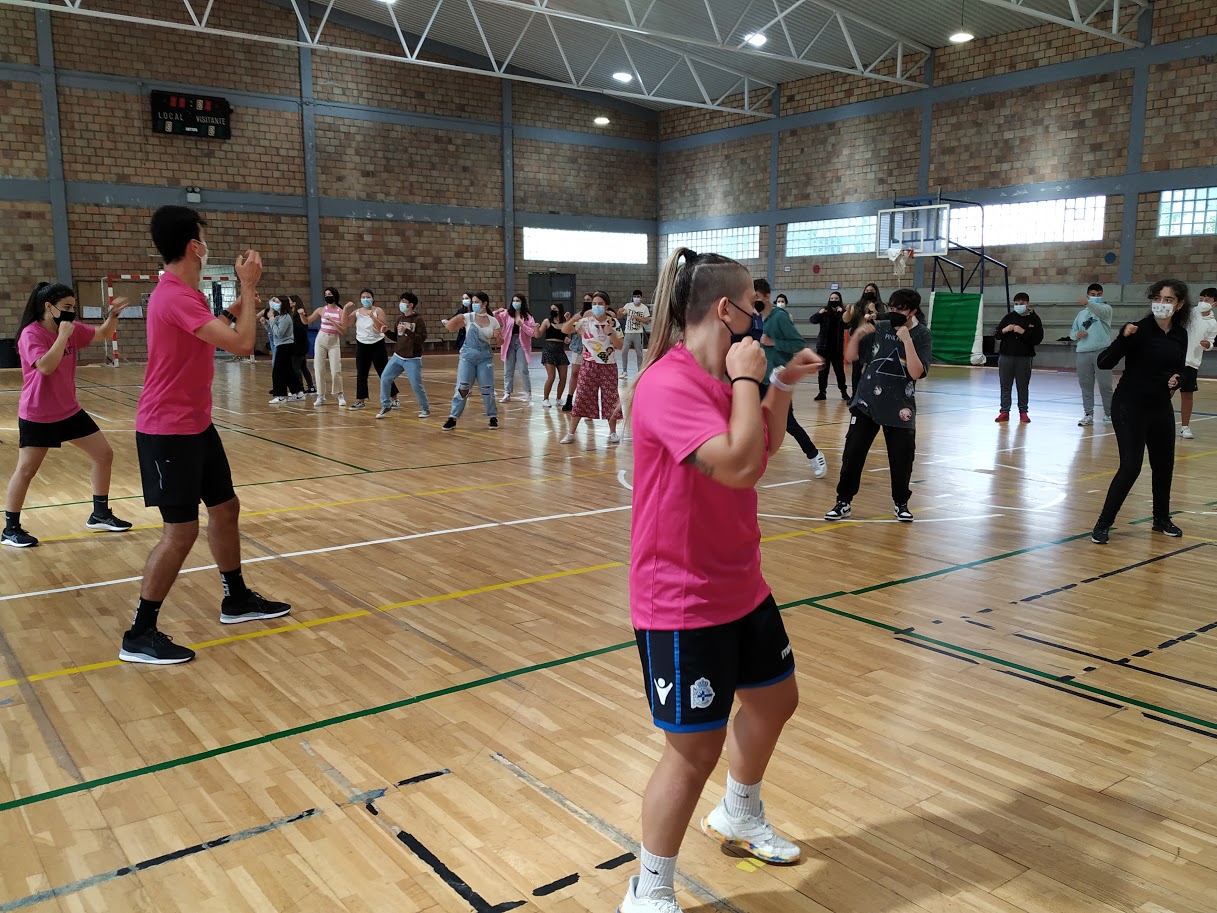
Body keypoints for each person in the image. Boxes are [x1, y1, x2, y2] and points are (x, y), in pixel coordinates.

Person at [620, 246, 820, 913]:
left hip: (741, 581)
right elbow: (734, 466)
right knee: (691, 749)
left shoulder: (725, 377)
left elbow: (757, 453)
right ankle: (646, 888)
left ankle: (738, 813)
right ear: (724, 309)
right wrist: (745, 380)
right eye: (753, 307)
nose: (759, 319)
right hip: (680, 598)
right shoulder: (666, 384)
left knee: (773, 699)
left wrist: (780, 385)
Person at [125, 205, 290, 665]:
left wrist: (241, 306)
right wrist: (250, 285)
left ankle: (235, 599)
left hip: (196, 424)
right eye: (204, 237)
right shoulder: (175, 296)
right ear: (195, 246)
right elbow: (241, 346)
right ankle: (139, 633)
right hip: (167, 429)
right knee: (180, 532)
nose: (207, 243)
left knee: (226, 508)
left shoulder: (186, 294)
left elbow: (220, 330)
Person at [2, 283, 134, 548]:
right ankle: (10, 529)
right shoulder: (31, 334)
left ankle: (99, 514)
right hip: (38, 413)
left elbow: (104, 333)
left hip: (69, 410)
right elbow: (46, 367)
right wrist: (62, 336)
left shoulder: (70, 329)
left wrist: (113, 315)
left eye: (73, 307)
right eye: (66, 308)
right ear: (48, 307)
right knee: (26, 470)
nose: (71, 313)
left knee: (103, 454)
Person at [1091, 280, 1191, 545]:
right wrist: (1122, 338)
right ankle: (1103, 524)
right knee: (1131, 466)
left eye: (1168, 299)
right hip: (1129, 405)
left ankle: (1161, 519)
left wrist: (1177, 379)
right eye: (1157, 297)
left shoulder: (1180, 334)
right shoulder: (1138, 329)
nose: (1162, 303)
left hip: (1159, 406)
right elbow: (1104, 362)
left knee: (1164, 465)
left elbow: (1179, 369)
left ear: (1179, 305)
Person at [825, 288, 931, 523]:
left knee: (901, 457)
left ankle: (901, 503)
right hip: (866, 401)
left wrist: (906, 340)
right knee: (853, 452)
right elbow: (851, 357)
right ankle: (843, 501)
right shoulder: (880, 327)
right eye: (891, 308)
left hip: (900, 406)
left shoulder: (922, 334)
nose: (894, 313)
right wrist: (856, 335)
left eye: (900, 309)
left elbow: (917, 371)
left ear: (912, 311)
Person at [755, 278, 827, 478]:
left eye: (758, 298)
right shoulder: (754, 318)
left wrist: (773, 343)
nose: (755, 302)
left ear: (767, 296)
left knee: (788, 424)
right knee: (752, 420)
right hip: (758, 379)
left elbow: (798, 344)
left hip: (778, 380)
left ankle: (814, 454)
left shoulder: (779, 317)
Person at [559, 292, 624, 445]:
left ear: (606, 306)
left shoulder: (613, 322)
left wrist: (611, 332)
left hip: (608, 366)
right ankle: (571, 433)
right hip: (588, 365)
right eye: (594, 303)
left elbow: (619, 345)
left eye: (600, 304)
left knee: (610, 398)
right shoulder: (585, 322)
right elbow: (565, 330)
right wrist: (574, 319)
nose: (596, 306)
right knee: (581, 397)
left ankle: (613, 432)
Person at [442, 291, 501, 431]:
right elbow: (450, 327)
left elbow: (502, 341)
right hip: (467, 357)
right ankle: (453, 417)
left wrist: (498, 337)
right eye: (473, 302)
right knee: (462, 387)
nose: (474, 304)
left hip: (485, 358)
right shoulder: (468, 317)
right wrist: (457, 318)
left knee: (487, 388)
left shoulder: (493, 321)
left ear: (485, 303)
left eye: (476, 302)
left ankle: (492, 416)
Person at [376, 292, 430, 420]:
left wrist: (407, 331)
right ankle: (386, 404)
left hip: (412, 359)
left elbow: (421, 338)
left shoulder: (418, 320)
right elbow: (396, 337)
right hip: (398, 356)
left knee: (416, 385)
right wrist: (386, 332)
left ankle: (425, 408)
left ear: (411, 305)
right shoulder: (400, 319)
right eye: (401, 301)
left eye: (404, 302)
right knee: (385, 378)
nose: (401, 304)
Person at [994, 292, 1044, 423]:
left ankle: (1023, 412)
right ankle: (1004, 411)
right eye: (1016, 304)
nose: (1018, 306)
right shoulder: (1009, 317)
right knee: (1005, 385)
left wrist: (1023, 332)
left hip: (1024, 357)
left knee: (1022, 385)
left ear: (1028, 304)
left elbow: (1037, 339)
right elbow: (997, 334)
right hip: (1006, 356)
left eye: (1021, 304)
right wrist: (1004, 330)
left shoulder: (1034, 319)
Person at [1070, 282, 1114, 426]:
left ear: (1102, 295)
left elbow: (1098, 310)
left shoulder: (1106, 309)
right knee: (1086, 385)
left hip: (1102, 352)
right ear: (1088, 295)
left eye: (1098, 295)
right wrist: (1077, 334)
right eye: (1092, 295)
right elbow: (1072, 333)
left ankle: (1109, 414)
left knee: (1105, 386)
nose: (1095, 297)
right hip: (1083, 352)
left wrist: (1088, 303)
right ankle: (1088, 414)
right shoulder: (1081, 314)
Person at [349, 288, 396, 411]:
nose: (366, 299)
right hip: (362, 344)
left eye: (368, 297)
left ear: (372, 298)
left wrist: (373, 317)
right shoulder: (357, 312)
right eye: (363, 297)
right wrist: (344, 310)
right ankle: (360, 400)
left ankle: (394, 398)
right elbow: (346, 323)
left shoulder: (378, 310)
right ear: (360, 299)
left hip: (377, 343)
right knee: (361, 373)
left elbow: (383, 327)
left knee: (384, 372)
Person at [1179, 288, 1216, 440]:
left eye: (1207, 300)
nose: (1203, 302)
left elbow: (1211, 341)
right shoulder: (1190, 313)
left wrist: (1208, 345)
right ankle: (1154, 422)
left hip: (1193, 362)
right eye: (1201, 299)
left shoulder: (1213, 323)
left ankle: (1184, 427)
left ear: (1214, 303)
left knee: (1187, 395)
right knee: (1166, 392)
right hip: (1177, 358)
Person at [304, 286, 346, 406]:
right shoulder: (321, 310)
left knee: (336, 369)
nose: (328, 296)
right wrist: (302, 315)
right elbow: (307, 321)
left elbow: (343, 331)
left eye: (330, 294)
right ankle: (320, 395)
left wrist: (332, 321)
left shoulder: (340, 311)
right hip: (321, 339)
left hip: (334, 340)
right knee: (319, 368)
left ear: (335, 296)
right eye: (326, 295)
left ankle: (339, 394)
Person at [843, 282, 883, 401]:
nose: (868, 292)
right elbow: (846, 320)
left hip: (874, 341)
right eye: (866, 290)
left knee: (872, 369)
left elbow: (881, 324)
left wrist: (874, 310)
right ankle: (855, 395)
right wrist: (848, 312)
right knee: (856, 370)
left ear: (876, 293)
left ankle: (871, 396)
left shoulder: (881, 306)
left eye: (871, 291)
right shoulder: (857, 306)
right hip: (858, 340)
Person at [496, 294, 536, 403]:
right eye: (514, 300)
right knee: (508, 369)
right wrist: (496, 312)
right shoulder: (507, 314)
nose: (515, 302)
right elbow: (496, 319)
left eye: (517, 300)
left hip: (521, 343)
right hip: (509, 342)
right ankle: (507, 393)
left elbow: (532, 332)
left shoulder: (527, 316)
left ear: (522, 302)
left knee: (523, 368)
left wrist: (522, 325)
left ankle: (527, 392)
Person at [810, 290, 848, 401]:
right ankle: (822, 392)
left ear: (840, 300)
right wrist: (819, 313)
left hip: (836, 348)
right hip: (823, 347)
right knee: (822, 371)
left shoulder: (843, 312)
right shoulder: (824, 311)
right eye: (832, 299)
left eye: (836, 299)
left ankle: (844, 392)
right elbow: (812, 320)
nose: (834, 301)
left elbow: (847, 326)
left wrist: (842, 313)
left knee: (839, 372)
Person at [267, 295, 304, 404]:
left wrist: (272, 319)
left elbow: (279, 333)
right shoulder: (281, 317)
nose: (275, 304)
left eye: (278, 302)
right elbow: (272, 330)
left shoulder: (286, 317)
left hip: (285, 346)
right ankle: (298, 393)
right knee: (288, 371)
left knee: (278, 372)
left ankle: (280, 395)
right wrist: (267, 322)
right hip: (281, 346)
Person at [563, 293, 595, 411]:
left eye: (589, 300)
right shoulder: (578, 315)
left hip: (591, 347)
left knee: (588, 375)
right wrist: (570, 320)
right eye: (585, 300)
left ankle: (588, 401)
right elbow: (571, 330)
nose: (586, 302)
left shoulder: (596, 317)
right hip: (578, 347)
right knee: (575, 373)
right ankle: (569, 399)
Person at [539, 302, 570, 408]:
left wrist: (567, 339)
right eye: (551, 309)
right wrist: (536, 328)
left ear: (560, 310)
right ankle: (545, 399)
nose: (553, 310)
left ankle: (559, 398)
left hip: (560, 350)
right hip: (549, 349)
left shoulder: (565, 322)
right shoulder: (547, 321)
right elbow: (538, 334)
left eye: (555, 309)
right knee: (551, 376)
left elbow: (568, 338)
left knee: (563, 377)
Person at [619, 289, 651, 381]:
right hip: (628, 332)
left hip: (638, 333)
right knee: (624, 351)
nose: (636, 298)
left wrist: (637, 317)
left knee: (639, 353)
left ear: (641, 298)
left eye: (638, 297)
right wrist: (620, 311)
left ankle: (639, 371)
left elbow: (647, 321)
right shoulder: (628, 306)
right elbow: (620, 315)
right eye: (635, 296)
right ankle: (624, 371)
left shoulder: (644, 308)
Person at [289, 294, 316, 394]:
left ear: (294, 303)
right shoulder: (293, 315)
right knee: (303, 367)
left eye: (290, 301)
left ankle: (299, 389)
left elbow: (301, 330)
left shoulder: (299, 316)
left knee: (296, 367)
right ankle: (311, 387)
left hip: (299, 345)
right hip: (300, 344)